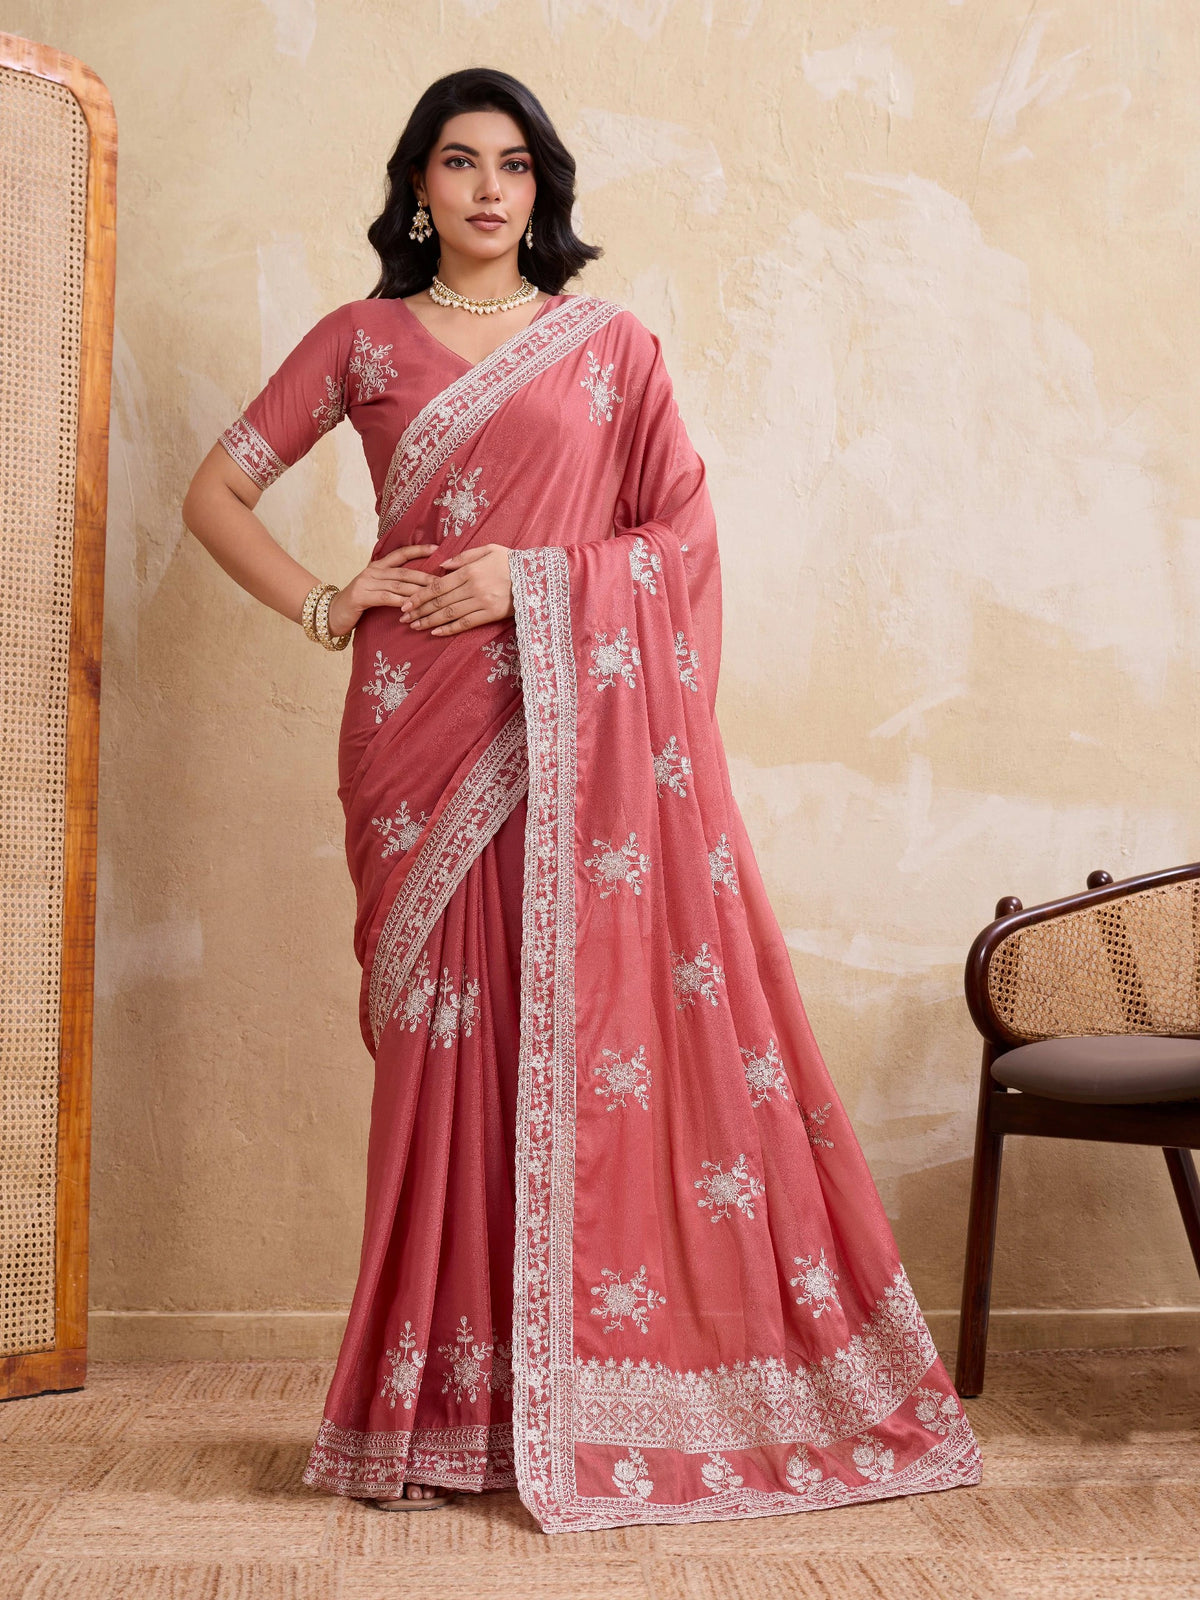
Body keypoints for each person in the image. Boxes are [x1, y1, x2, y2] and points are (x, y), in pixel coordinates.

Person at [182, 66, 980, 1534]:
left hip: (567, 730)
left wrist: (535, 582)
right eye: (455, 162)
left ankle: (545, 1390)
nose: (487, 188)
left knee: (565, 1044)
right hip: (414, 734)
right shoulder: (358, 340)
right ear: (414, 190)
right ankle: (430, 1415)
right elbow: (216, 493)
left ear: (542, 189)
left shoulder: (612, 349)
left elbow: (676, 538)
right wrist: (328, 602)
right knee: (439, 1067)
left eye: (513, 164)